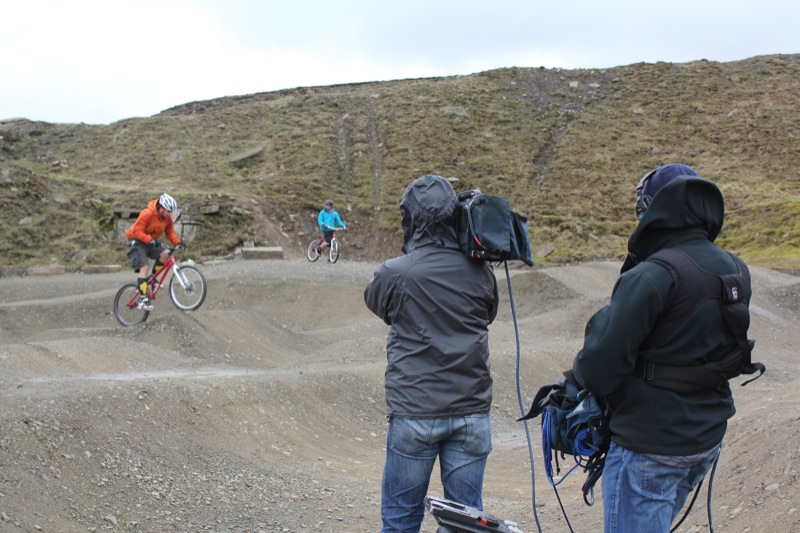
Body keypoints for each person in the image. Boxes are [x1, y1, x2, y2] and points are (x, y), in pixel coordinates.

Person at [571, 164, 752, 532]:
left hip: (651, 446)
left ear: (655, 209)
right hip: (704, 436)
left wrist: (576, 379)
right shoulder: (735, 267)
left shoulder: (654, 274)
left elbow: (599, 368)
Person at [364, 174, 499, 533]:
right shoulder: (482, 271)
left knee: (401, 519)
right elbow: (489, 314)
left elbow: (377, 303)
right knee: (465, 525)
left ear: (410, 218)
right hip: (471, 413)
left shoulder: (394, 273)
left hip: (415, 413)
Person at [125, 193, 186, 311]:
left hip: (150, 242)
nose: (170, 214)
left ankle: (152, 278)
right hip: (136, 241)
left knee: (166, 254)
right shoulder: (147, 213)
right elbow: (137, 231)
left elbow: (170, 233)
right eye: (169, 211)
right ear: (161, 208)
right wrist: (151, 240)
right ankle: (143, 299)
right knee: (144, 268)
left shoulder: (167, 218)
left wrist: (178, 242)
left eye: (172, 212)